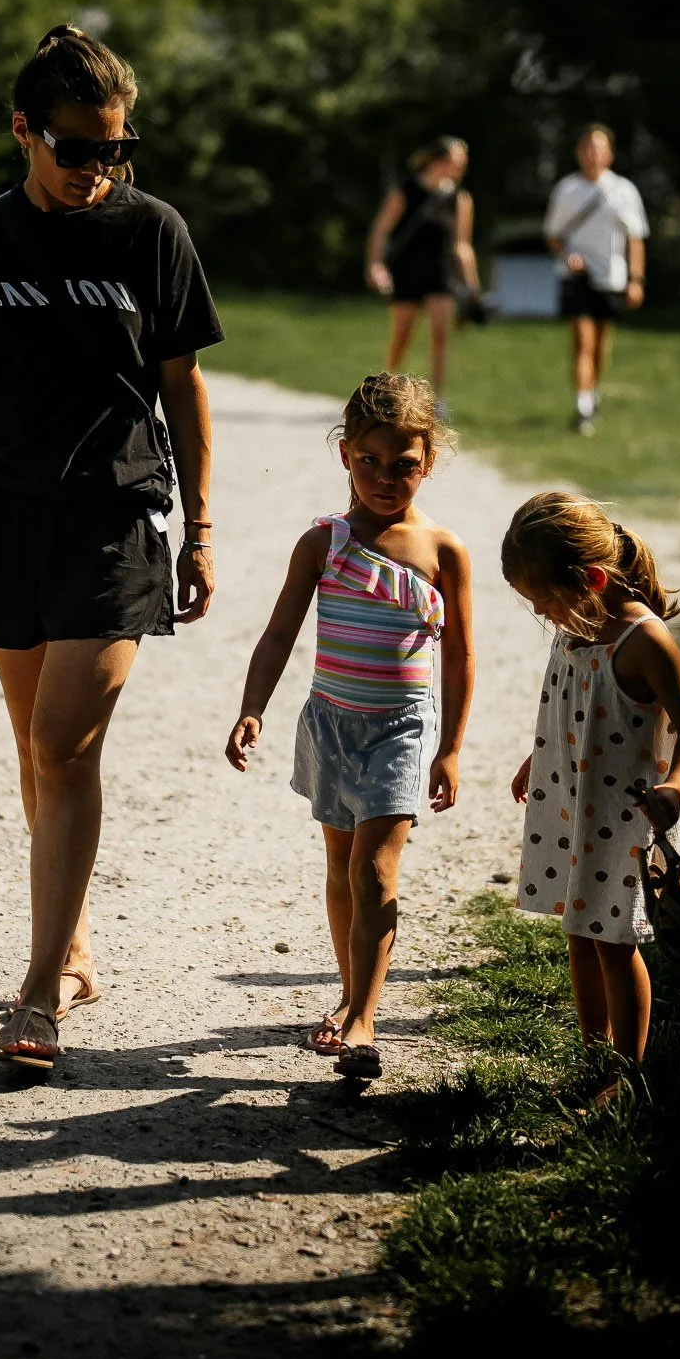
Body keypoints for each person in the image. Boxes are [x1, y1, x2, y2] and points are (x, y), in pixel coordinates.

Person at [0, 24, 219, 1069]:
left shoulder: (151, 233)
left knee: (66, 745)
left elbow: (182, 387)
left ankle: (35, 993)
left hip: (114, 515)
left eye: (115, 150)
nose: (97, 171)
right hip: (9, 515)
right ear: (23, 131)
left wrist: (199, 526)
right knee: (35, 752)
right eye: (77, 149)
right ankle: (69, 942)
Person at [224, 373, 474, 1082]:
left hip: (401, 728)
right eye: (370, 461)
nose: (386, 478)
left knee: (375, 868)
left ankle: (365, 1019)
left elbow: (459, 658)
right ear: (344, 455)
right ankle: (349, 993)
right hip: (331, 723)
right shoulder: (323, 543)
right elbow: (278, 635)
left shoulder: (442, 553)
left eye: (405, 465)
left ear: (429, 462)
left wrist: (450, 747)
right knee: (341, 869)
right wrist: (253, 706)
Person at [500, 494, 680, 1107]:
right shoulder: (578, 625)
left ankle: (628, 1075)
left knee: (615, 943)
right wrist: (538, 758)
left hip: (626, 818)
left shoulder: (643, 640)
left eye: (544, 599)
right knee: (580, 933)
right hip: (572, 803)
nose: (542, 613)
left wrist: (677, 788)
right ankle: (594, 1062)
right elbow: (573, 709)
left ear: (589, 579)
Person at [544, 124, 651, 436]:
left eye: (600, 149)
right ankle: (583, 407)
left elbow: (636, 238)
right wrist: (567, 256)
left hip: (612, 277)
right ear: (579, 153)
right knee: (583, 340)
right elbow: (553, 236)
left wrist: (636, 279)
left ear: (610, 155)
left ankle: (592, 392)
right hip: (576, 276)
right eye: (588, 148)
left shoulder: (624, 191)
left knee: (601, 345)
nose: (593, 155)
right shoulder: (566, 190)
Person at [364, 137, 477, 412]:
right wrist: (375, 264)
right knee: (403, 333)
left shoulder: (459, 199)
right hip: (408, 271)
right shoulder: (406, 192)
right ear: (438, 161)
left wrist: (473, 286)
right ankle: (385, 388)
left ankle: (437, 400)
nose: (459, 171)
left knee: (440, 334)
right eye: (455, 164)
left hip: (442, 273)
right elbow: (381, 230)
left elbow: (462, 245)